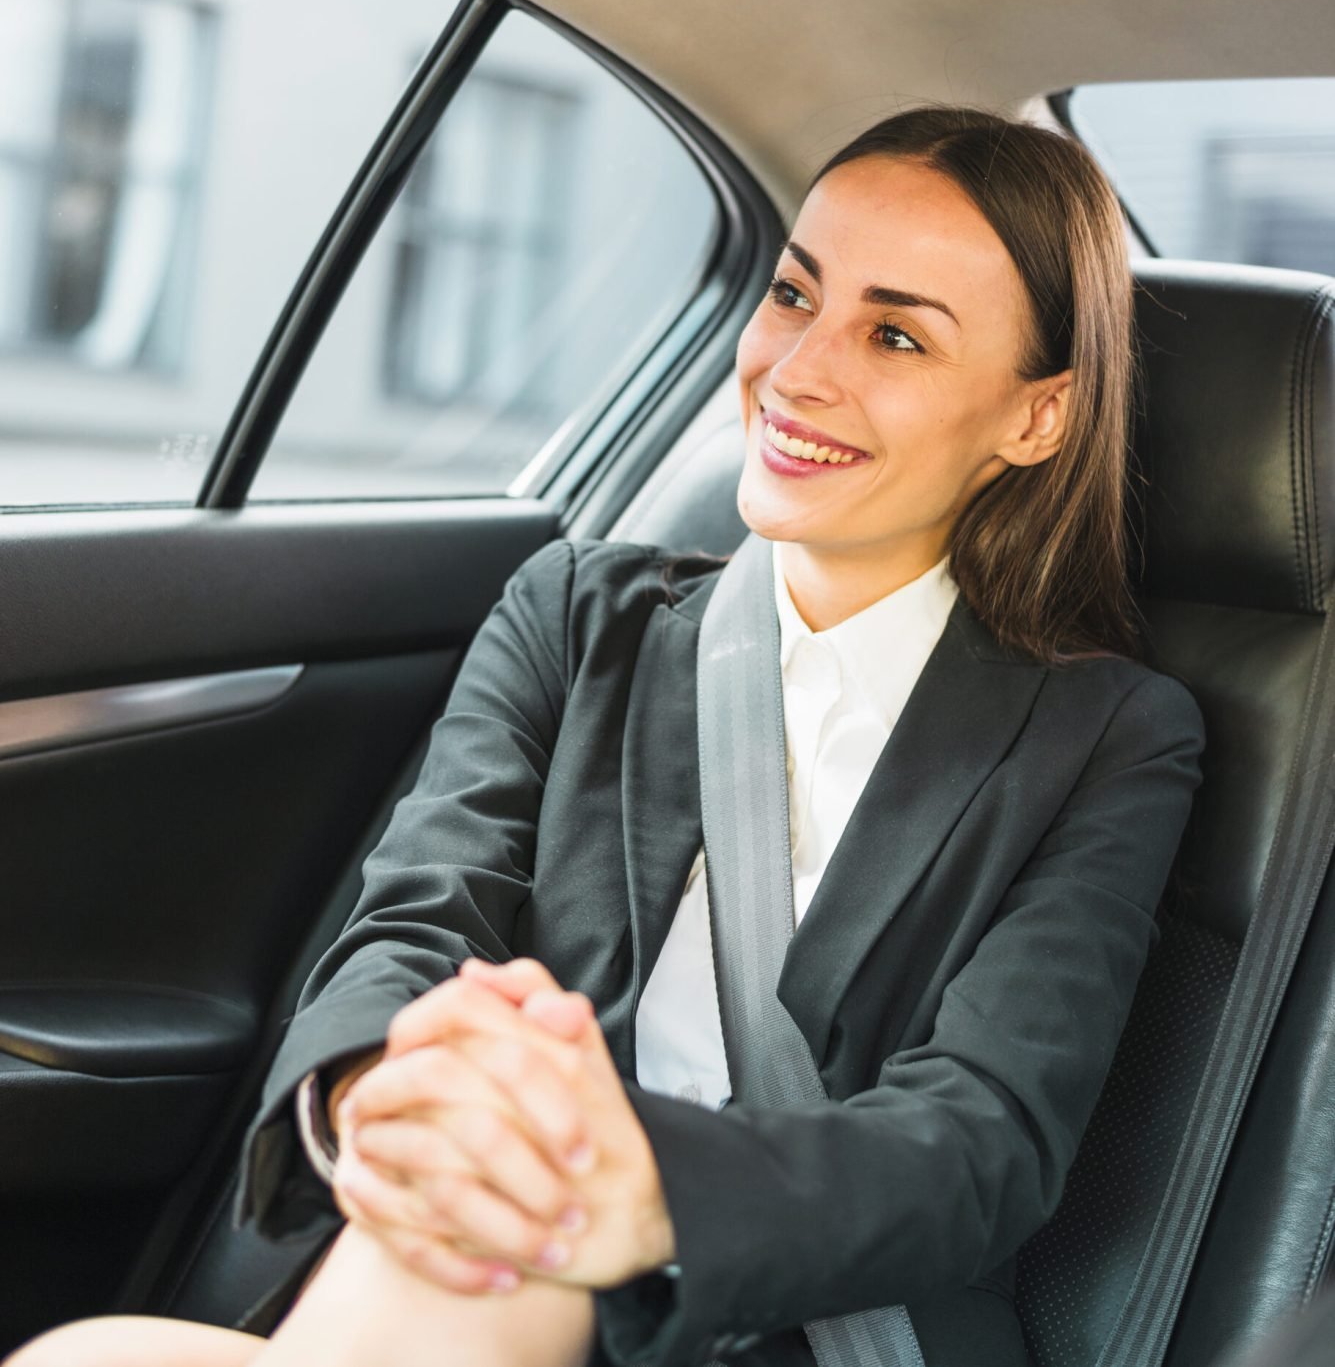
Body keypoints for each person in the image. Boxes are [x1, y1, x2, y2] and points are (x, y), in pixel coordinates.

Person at [4, 104, 1206, 1367]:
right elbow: (419, 921)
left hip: (792, 1320)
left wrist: (635, 1190)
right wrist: (384, 1097)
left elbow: (985, 1138)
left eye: (895, 334)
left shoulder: (1109, 737)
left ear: (1036, 418)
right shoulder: (577, 615)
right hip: (461, 1253)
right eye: (795, 295)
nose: (798, 371)